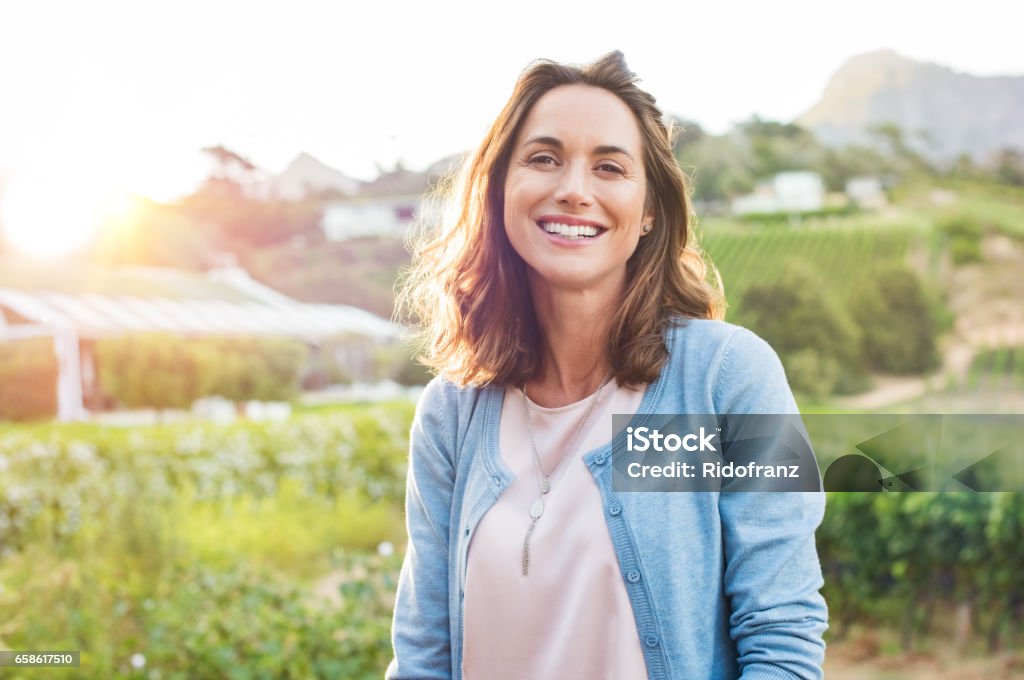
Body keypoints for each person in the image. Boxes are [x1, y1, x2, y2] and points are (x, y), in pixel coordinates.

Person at [387, 51, 828, 680]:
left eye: (610, 167)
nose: (573, 188)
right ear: (500, 189)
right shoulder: (453, 412)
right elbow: (423, 657)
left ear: (649, 209)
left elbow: (781, 637)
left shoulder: (727, 377)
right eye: (543, 158)